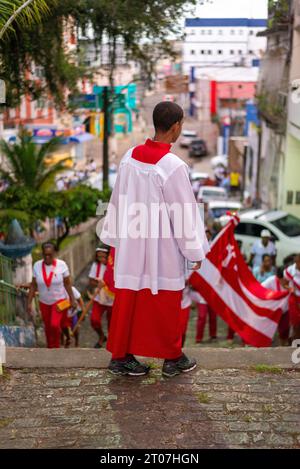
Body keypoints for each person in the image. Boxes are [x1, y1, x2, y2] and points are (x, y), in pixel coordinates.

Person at [100, 101, 209, 377]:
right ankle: (172, 359)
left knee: (128, 300)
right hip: (161, 248)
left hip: (131, 244)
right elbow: (184, 214)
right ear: (176, 126)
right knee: (166, 303)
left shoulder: (129, 157)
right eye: (181, 124)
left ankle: (120, 357)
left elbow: (118, 199)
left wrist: (114, 238)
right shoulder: (173, 166)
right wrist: (194, 251)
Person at [27, 242, 76, 348]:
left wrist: (72, 299)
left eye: (50, 254)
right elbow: (33, 286)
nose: (47, 257)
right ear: (42, 254)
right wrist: (29, 302)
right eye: (45, 254)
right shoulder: (37, 265)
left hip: (59, 301)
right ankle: (50, 348)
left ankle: (56, 348)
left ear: (54, 253)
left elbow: (67, 283)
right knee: (48, 327)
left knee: (54, 325)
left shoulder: (62, 265)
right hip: (44, 302)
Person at [88, 246, 114, 348]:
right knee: (94, 320)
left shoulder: (114, 266)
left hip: (112, 299)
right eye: (99, 257)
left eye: (104, 257)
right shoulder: (96, 265)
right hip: (99, 298)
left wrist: (107, 285)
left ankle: (111, 343)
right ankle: (101, 336)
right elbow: (91, 281)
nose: (101, 259)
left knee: (111, 324)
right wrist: (98, 283)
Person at [262, 266, 290, 346]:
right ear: (277, 277)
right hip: (273, 309)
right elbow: (261, 290)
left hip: (286, 309)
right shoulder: (271, 280)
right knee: (268, 329)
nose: (285, 282)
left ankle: (282, 345)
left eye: (286, 279)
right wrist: (271, 295)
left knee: (284, 330)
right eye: (283, 280)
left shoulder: (293, 280)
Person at [284, 254, 300, 341]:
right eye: (297, 262)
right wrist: (290, 288)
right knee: (295, 324)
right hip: (294, 299)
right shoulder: (290, 270)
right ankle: (294, 343)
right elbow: (284, 284)